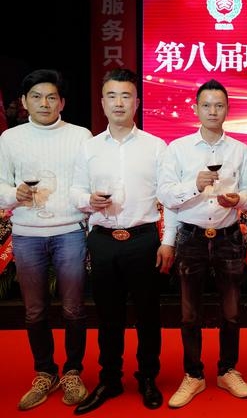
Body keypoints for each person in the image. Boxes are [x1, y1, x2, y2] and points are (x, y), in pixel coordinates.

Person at [70, 68, 176, 414]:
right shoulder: (88, 148)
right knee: (108, 316)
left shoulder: (156, 146)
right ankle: (110, 379)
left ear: (137, 102)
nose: (119, 103)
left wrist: (168, 241)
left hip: (143, 240)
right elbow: (75, 191)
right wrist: (88, 201)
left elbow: (170, 198)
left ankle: (147, 378)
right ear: (102, 103)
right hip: (102, 241)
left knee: (148, 316)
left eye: (126, 96)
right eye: (112, 96)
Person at [157, 78, 247, 408]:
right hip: (191, 237)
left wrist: (238, 200)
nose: (213, 111)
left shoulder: (240, 150)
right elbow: (166, 195)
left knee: (232, 311)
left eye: (219, 105)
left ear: (228, 109)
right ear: (196, 109)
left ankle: (227, 370)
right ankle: (193, 375)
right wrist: (195, 186)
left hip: (228, 237)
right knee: (189, 313)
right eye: (207, 105)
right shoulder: (177, 149)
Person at [0, 69, 92, 410]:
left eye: (51, 97)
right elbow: (0, 184)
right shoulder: (10, 138)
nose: (44, 103)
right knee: (34, 309)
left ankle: (73, 371)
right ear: (24, 102)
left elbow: (88, 182)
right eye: (36, 97)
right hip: (27, 234)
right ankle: (44, 372)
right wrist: (14, 194)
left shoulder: (81, 136)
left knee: (74, 308)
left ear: (62, 103)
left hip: (70, 231)